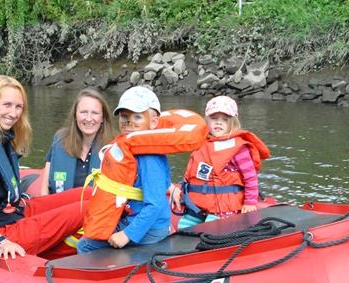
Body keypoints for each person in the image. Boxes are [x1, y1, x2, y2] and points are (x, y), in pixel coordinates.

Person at [0, 75, 86, 260]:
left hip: (12, 211)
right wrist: (1, 242)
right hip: (1, 230)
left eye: (18, 107)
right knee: (90, 208)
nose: (14, 113)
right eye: (7, 105)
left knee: (88, 194)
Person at [76, 87, 173, 253]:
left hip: (152, 228)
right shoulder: (131, 148)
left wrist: (127, 235)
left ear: (154, 122)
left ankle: (105, 277)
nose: (129, 122)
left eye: (137, 116)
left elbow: (155, 205)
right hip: (134, 216)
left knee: (85, 245)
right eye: (124, 116)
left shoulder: (149, 157)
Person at [170, 95, 271, 228]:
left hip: (223, 209)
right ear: (207, 121)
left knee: (212, 230)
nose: (218, 122)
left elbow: (250, 178)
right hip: (197, 206)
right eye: (214, 118)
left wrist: (249, 202)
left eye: (225, 119)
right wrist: (180, 191)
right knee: (183, 228)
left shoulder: (239, 148)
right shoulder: (201, 144)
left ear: (233, 123)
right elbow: (191, 174)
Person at [40, 88, 115, 196]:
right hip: (61, 209)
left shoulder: (113, 148)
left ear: (102, 118)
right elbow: (44, 191)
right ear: (75, 115)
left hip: (96, 211)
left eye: (95, 113)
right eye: (83, 112)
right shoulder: (60, 140)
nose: (89, 118)